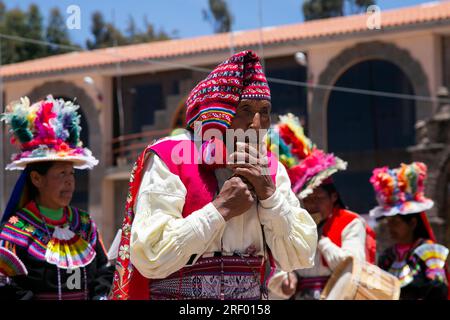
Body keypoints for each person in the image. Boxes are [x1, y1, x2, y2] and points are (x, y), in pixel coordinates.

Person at [109, 50, 317, 300]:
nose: (257, 123)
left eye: (265, 110)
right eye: (245, 109)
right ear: (218, 114)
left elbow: (300, 255)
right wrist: (219, 210)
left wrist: (270, 196)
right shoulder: (171, 156)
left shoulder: (271, 169)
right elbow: (150, 255)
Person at [0, 96, 113, 300]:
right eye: (61, 174)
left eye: (71, 174)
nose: (69, 181)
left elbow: (104, 271)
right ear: (36, 179)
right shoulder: (15, 230)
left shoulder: (85, 224)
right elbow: (6, 284)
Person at [266, 114, 374, 300]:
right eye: (308, 199)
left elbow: (353, 264)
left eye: (319, 198)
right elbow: (280, 261)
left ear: (333, 196)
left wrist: (321, 240)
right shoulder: (295, 223)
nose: (312, 204)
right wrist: (286, 278)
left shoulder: (350, 222)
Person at [370, 162, 448, 300]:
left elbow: (439, 289)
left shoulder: (428, 251)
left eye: (396, 222)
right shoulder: (388, 257)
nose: (390, 227)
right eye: (389, 222)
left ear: (412, 223)